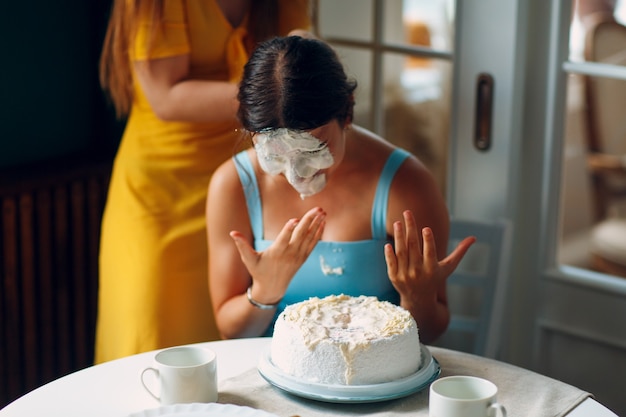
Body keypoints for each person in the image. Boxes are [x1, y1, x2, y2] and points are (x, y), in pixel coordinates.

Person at [206, 36, 476, 344]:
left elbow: (430, 333)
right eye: (275, 154)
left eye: (314, 149)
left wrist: (419, 300)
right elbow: (230, 331)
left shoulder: (407, 185)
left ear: (347, 112)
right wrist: (264, 292)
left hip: (373, 382)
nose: (297, 175)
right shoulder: (233, 185)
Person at [95, 0, 311, 363]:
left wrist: (308, 58)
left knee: (236, 343)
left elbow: (297, 46)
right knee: (148, 338)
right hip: (161, 194)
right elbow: (166, 97)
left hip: (249, 182)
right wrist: (280, 95)